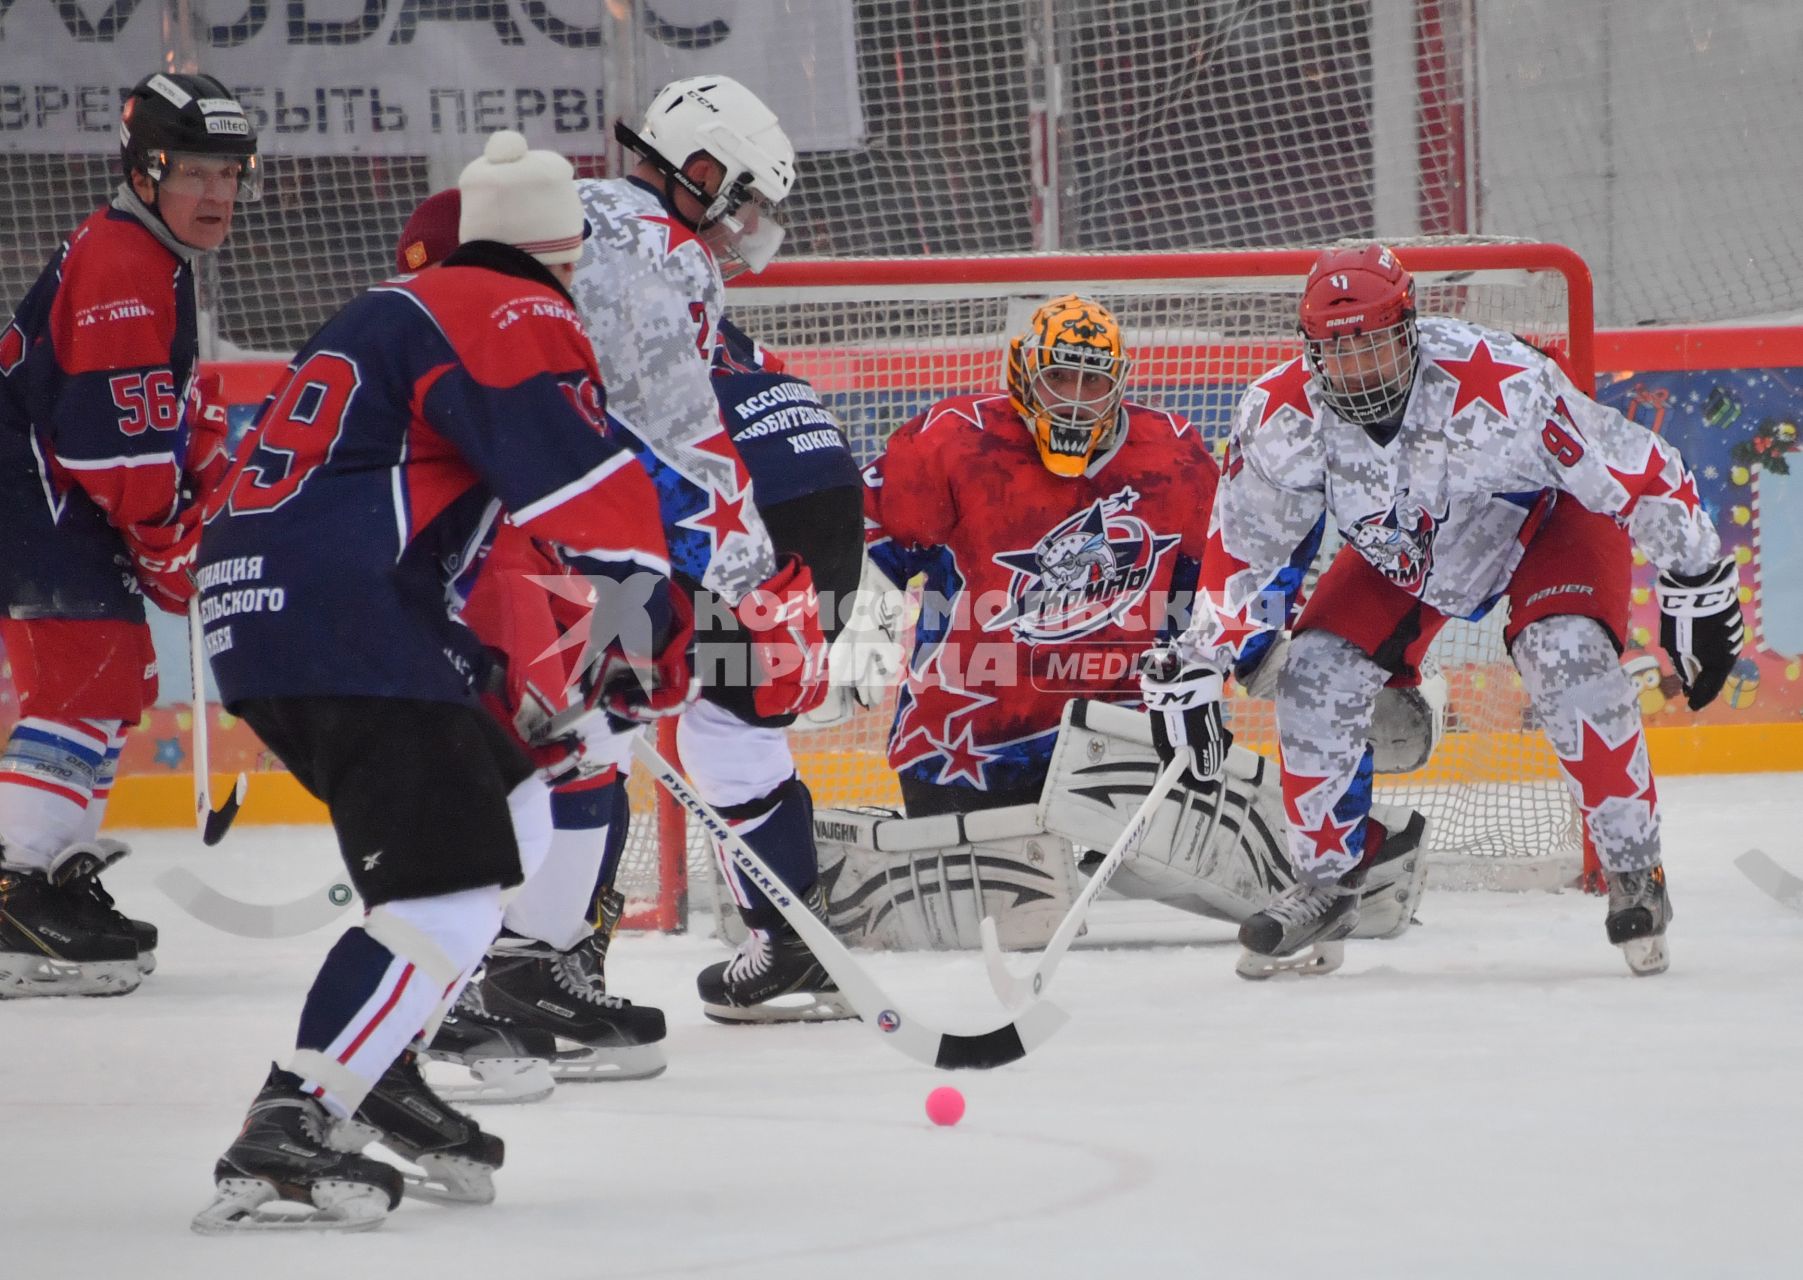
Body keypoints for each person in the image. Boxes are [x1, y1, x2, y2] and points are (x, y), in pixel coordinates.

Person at [189, 131, 688, 1232]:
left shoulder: (394, 305)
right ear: (557, 255)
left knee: (512, 801)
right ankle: (301, 1109)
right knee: (447, 892)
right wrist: (648, 610)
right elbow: (586, 492)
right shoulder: (509, 306)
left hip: (278, 607)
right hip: (346, 614)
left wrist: (537, 691)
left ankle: (385, 1055)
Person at [1141, 242, 1743, 979]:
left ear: (1409, 327)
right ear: (1307, 348)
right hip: (1407, 549)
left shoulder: (1504, 383)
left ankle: (1633, 869)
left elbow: (1636, 467)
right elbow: (1244, 551)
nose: (1355, 365)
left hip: (1544, 524)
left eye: (1371, 341)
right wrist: (1198, 663)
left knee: (1566, 660)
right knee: (1315, 674)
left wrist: (1699, 583)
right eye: (1335, 349)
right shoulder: (1278, 413)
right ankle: (1325, 879)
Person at [560, 76, 838, 1023]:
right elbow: (677, 439)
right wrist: (753, 585)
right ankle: (541, 979)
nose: (752, 222)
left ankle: (540, 974)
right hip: (574, 536)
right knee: (587, 745)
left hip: (550, 522)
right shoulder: (655, 251)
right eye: (749, 198)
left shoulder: (584, 214)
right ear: (703, 172)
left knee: (588, 742)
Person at [390, 188, 671, 1093]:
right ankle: (444, 996)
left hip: (531, 570)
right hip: (456, 586)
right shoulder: (453, 343)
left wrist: (629, 626)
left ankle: (529, 970)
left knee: (594, 750)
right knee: (491, 772)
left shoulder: (541, 343)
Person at [0, 72, 258, 997]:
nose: (219, 195)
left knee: (108, 689)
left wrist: (188, 482)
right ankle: (11, 888)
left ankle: (49, 874)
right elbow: (108, 440)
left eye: (232, 174)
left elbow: (156, 414)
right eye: (197, 172)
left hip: (57, 502)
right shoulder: (120, 263)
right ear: (146, 170)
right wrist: (161, 529)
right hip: (42, 502)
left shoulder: (150, 258)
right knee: (78, 692)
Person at [858, 294, 1216, 815]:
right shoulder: (957, 442)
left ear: (1118, 382)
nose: (1073, 399)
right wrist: (856, 619)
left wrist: (1203, 666)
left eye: (1092, 381)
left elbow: (1205, 591)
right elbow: (867, 542)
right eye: (1058, 376)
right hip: (966, 746)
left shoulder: (1175, 457)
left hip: (1117, 746)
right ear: (1023, 373)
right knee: (982, 897)